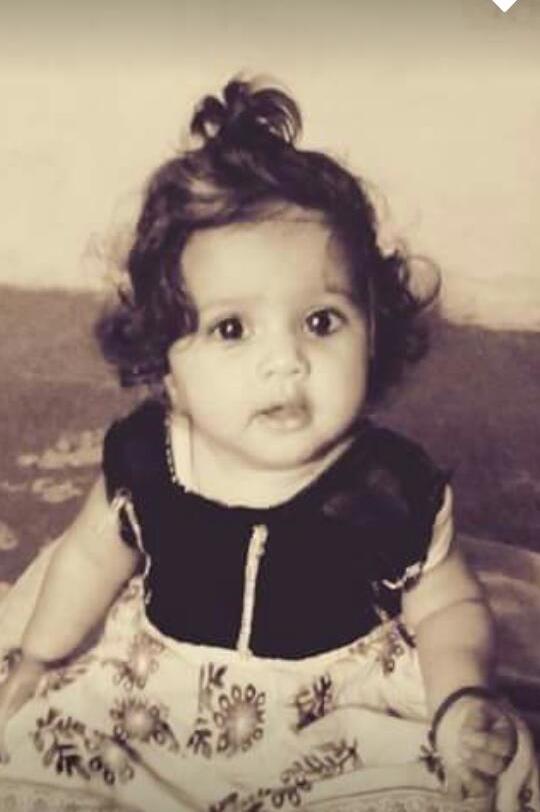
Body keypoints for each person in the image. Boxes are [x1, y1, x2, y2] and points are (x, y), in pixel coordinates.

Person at [0, 78, 537, 812]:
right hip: (153, 698)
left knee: (456, 785)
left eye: (321, 322)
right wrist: (39, 656)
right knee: (42, 756)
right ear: (166, 367)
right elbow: (92, 556)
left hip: (334, 715)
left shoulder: (390, 486)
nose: (285, 362)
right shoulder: (148, 458)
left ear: (372, 331)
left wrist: (460, 699)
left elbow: (447, 608)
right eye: (232, 329)